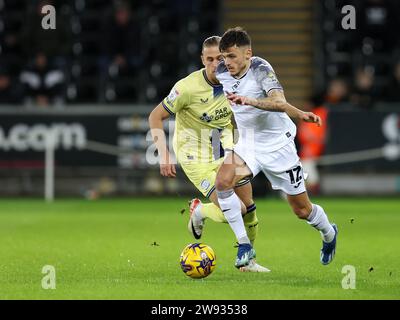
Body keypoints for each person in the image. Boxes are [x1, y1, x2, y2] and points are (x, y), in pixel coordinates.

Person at [214, 27, 338, 268]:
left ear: (247, 53)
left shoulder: (260, 69)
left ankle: (329, 233)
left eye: (231, 56)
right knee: (223, 182)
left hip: (278, 146)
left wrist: (251, 101)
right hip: (248, 143)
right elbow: (203, 80)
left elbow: (279, 102)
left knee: (302, 210)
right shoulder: (221, 71)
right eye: (223, 56)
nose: (226, 62)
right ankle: (244, 245)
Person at [148, 36, 269, 272]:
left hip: (224, 149)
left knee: (249, 207)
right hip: (194, 156)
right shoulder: (187, 88)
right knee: (234, 210)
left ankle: (248, 262)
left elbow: (239, 115)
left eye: (220, 58)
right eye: (210, 59)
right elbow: (155, 116)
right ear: (203, 60)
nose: (215, 64)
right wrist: (163, 154)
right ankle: (200, 211)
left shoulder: (234, 82)